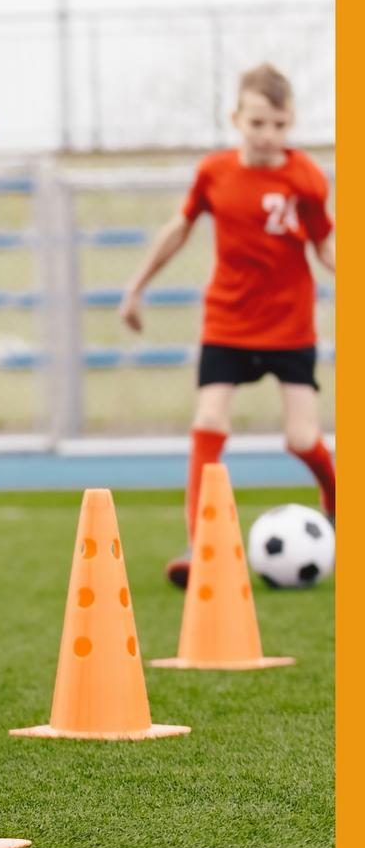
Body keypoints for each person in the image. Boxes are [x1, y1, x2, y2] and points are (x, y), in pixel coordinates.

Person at [119, 63, 335, 588]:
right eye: (258, 123)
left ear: (291, 123)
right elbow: (179, 229)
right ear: (236, 118)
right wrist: (137, 287)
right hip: (227, 322)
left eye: (280, 125)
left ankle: (337, 497)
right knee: (210, 422)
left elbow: (323, 243)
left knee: (302, 437)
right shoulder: (214, 173)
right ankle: (200, 548)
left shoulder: (305, 176)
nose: (268, 136)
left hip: (289, 324)